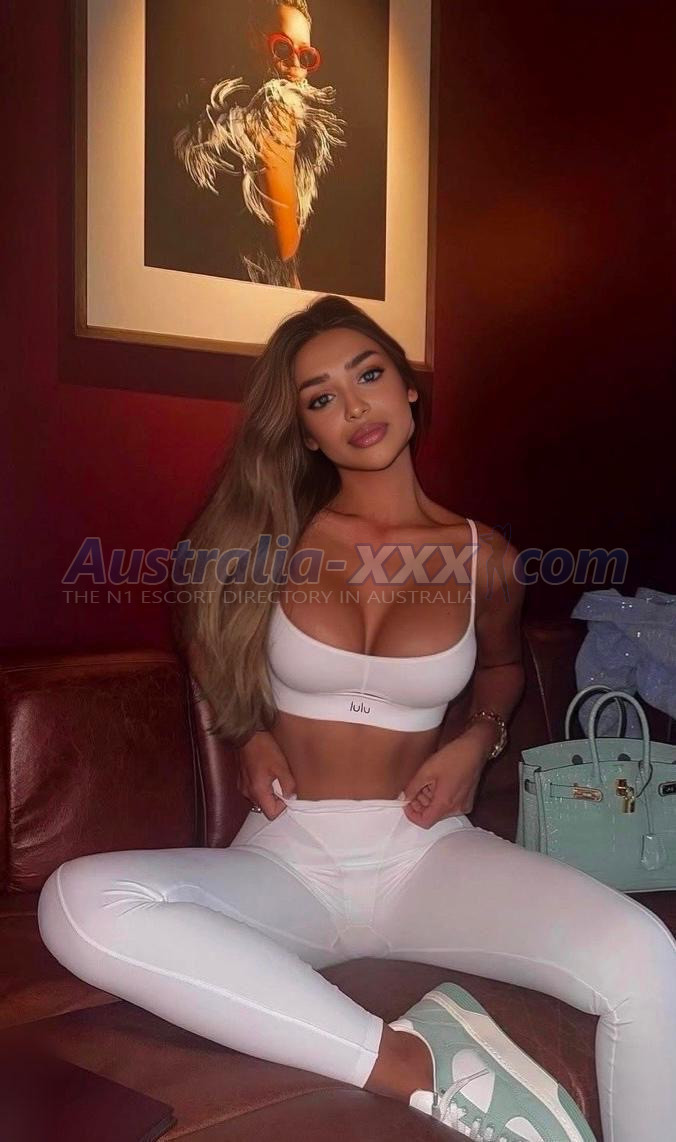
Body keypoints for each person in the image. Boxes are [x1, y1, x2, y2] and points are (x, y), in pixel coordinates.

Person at [37, 296, 676, 1141]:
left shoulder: (486, 558)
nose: (354, 406)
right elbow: (206, 629)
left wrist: (477, 740)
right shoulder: (273, 537)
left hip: (423, 855)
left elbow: (501, 668)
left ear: (408, 390)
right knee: (76, 901)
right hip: (289, 859)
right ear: (305, 432)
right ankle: (408, 1062)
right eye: (321, 397)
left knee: (646, 958)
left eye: (368, 375)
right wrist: (248, 731)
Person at [174, 0, 345, 288]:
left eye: (306, 56)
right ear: (254, 37)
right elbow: (285, 246)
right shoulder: (277, 107)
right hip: (255, 282)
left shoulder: (222, 108)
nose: (295, 63)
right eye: (282, 48)